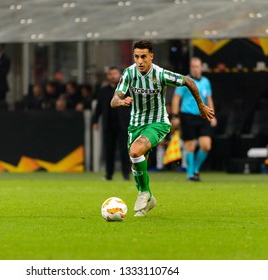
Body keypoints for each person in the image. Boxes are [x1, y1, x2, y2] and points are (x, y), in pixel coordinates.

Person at [111, 40, 214, 217]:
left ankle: (144, 193)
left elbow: (188, 81)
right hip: (135, 124)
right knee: (136, 165)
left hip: (158, 123)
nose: (140, 61)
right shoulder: (129, 73)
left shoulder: (160, 74)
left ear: (151, 56)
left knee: (136, 152)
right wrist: (121, 101)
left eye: (143, 56)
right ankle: (148, 197)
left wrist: (201, 105)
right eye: (136, 57)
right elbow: (113, 100)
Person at [171, 57, 217, 182]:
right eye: (192, 66)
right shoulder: (184, 80)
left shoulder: (206, 82)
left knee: (206, 145)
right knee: (189, 145)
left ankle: (196, 169)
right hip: (188, 116)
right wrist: (175, 116)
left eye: (197, 66)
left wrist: (212, 115)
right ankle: (190, 174)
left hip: (202, 116)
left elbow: (209, 98)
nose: (195, 69)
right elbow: (176, 98)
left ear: (201, 67)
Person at [92, 67, 131, 181]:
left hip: (123, 124)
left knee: (125, 149)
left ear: (120, 75)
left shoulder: (126, 89)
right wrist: (95, 121)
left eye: (115, 73)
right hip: (108, 124)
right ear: (107, 76)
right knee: (109, 150)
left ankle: (126, 174)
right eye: (110, 74)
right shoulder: (103, 91)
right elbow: (98, 107)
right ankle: (109, 174)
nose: (113, 76)